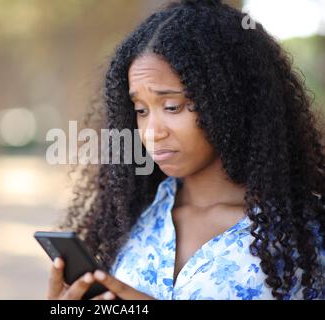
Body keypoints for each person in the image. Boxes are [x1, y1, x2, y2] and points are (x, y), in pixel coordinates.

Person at [47, 0, 325, 300]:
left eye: (172, 106)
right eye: (140, 110)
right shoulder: (136, 215)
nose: (152, 132)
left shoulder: (303, 235)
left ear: (228, 100)